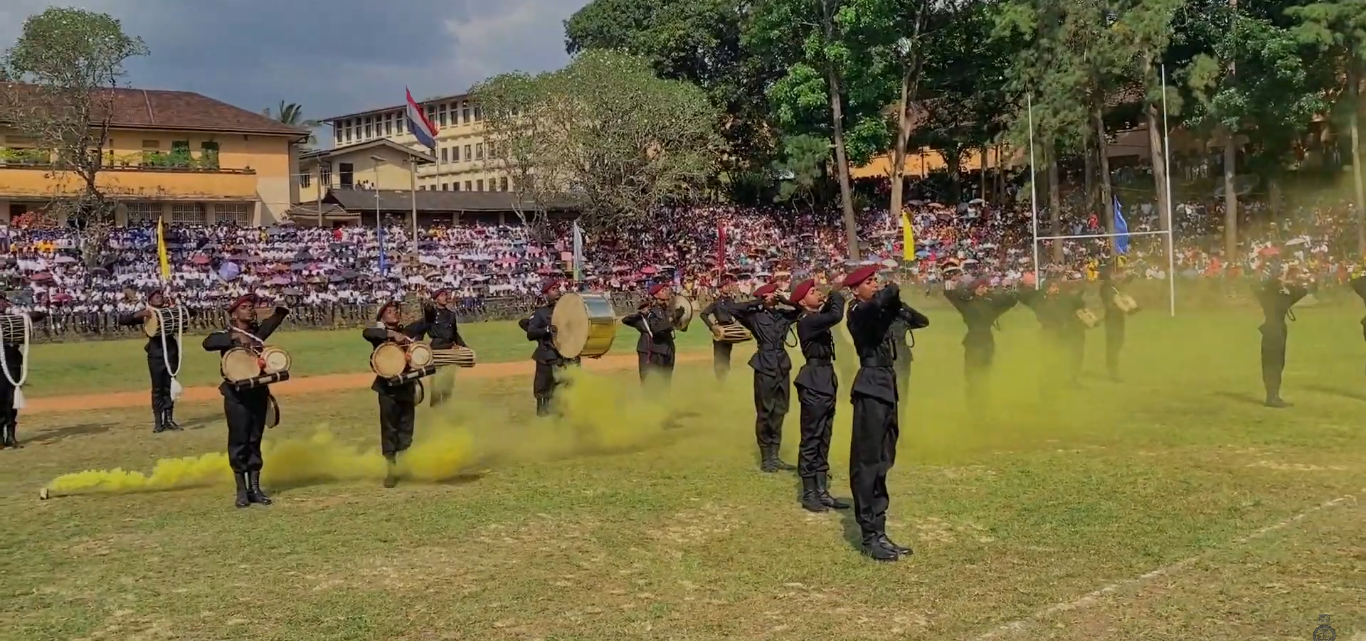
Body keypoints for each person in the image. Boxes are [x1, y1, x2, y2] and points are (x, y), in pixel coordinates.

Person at [844, 265, 924, 562]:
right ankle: (869, 534)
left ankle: (879, 529)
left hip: (886, 385)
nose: (875, 284)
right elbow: (879, 303)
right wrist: (890, 291)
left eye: (876, 280)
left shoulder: (877, 310)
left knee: (883, 459)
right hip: (870, 386)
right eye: (869, 282)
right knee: (867, 462)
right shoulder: (857, 311)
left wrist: (895, 299)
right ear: (855, 290)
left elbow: (916, 319)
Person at [202, 294, 289, 508]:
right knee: (239, 442)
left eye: (252, 307)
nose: (250, 310)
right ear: (234, 314)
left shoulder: (257, 334)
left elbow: (274, 321)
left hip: (258, 394)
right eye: (245, 307)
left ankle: (255, 489)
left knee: (254, 441)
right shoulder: (227, 334)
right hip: (236, 397)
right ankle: (241, 491)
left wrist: (282, 309)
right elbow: (208, 343)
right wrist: (233, 338)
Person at [791, 278, 851, 513]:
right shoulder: (807, 321)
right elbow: (835, 315)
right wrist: (835, 292)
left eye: (818, 290)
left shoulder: (814, 317)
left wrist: (831, 297)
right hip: (814, 380)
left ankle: (822, 490)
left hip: (825, 377)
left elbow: (828, 314)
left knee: (824, 437)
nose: (818, 293)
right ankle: (809, 493)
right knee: (811, 438)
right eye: (813, 292)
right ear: (802, 302)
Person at [733, 281, 802, 472]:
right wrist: (757, 302)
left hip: (782, 364)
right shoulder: (755, 316)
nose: (776, 295)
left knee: (780, 410)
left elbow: (801, 310)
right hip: (764, 364)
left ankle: (775, 455)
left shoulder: (782, 314)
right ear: (764, 296)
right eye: (773, 293)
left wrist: (787, 301)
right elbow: (733, 309)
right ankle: (766, 457)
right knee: (765, 411)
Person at [364, 300, 431, 488]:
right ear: (382, 317)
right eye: (390, 311)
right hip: (387, 390)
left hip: (407, 387)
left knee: (406, 429)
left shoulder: (407, 332)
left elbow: (426, 323)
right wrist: (391, 334)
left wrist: (429, 309)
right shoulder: (379, 335)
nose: (394, 313)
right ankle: (391, 471)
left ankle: (403, 467)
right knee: (389, 429)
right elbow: (367, 333)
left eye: (396, 310)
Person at [943, 277, 1018, 408]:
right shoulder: (967, 303)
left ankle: (982, 402)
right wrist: (970, 292)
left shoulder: (989, 303)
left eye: (986, 286)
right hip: (974, 340)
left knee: (983, 374)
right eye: (983, 286)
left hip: (985, 341)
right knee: (972, 374)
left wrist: (991, 294)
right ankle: (974, 403)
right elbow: (949, 293)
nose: (986, 288)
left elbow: (1011, 300)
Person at [117, 289, 182, 433]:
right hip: (156, 354)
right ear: (150, 301)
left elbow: (191, 313)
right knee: (158, 388)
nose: (159, 298)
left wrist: (176, 304)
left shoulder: (170, 311)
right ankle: (158, 422)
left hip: (171, 354)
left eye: (160, 296)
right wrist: (138, 314)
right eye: (155, 297)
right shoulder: (148, 314)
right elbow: (122, 320)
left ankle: (169, 420)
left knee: (169, 387)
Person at [1018, 275, 1089, 389]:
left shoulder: (1060, 299)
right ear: (1047, 289)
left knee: (1065, 357)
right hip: (1048, 334)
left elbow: (1077, 303)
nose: (1057, 289)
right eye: (1053, 287)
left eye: (1057, 286)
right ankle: (1047, 384)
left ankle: (1069, 381)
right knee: (1049, 360)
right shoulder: (1042, 302)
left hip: (1061, 333)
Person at [1255, 266, 1310, 408]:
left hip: (1275, 330)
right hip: (1274, 331)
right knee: (1273, 363)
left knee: (1276, 363)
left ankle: (1273, 395)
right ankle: (1272, 397)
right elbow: (1302, 291)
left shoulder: (1274, 295)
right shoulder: (1275, 295)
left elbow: (1303, 291)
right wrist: (1284, 281)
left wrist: (1286, 282)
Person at [520, 281, 578, 417]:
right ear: (546, 294)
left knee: (564, 390)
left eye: (557, 288)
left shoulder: (567, 312)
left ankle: (562, 417)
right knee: (544, 391)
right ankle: (543, 417)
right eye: (553, 289)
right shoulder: (541, 313)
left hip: (564, 357)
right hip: (546, 357)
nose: (557, 290)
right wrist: (546, 330)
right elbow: (531, 333)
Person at [0, 295, 46, 450]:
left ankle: (10, 436)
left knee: (11, 400)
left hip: (12, 362)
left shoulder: (14, 319)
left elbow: (39, 315)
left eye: (2, 300)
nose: (1, 303)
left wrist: (24, 316)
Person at [622, 283, 683, 385]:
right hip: (655, 349)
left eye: (667, 289)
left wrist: (681, 318)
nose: (667, 291)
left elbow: (680, 327)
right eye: (663, 290)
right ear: (656, 295)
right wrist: (672, 319)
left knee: (666, 383)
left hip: (668, 349)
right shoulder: (652, 312)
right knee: (652, 383)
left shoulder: (667, 310)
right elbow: (656, 328)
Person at [420, 289, 468, 407]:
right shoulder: (432, 314)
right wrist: (427, 304)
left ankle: (446, 405)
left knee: (448, 380)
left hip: (449, 348)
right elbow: (428, 311)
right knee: (436, 380)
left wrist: (464, 346)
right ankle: (435, 406)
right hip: (436, 349)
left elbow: (454, 334)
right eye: (442, 295)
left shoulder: (451, 314)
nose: (445, 297)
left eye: (446, 295)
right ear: (436, 299)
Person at [700, 275, 741, 381]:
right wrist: (712, 326)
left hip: (730, 330)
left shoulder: (731, 301)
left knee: (727, 356)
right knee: (719, 356)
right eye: (725, 286)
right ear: (720, 289)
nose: (728, 288)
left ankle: (725, 378)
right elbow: (703, 314)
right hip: (720, 330)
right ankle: (719, 379)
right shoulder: (716, 303)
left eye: (729, 286)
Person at [1098, 263, 1132, 381]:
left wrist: (1127, 279)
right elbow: (1111, 302)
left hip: (1118, 317)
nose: (1115, 275)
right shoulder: (1106, 288)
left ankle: (1112, 368)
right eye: (1112, 272)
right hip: (1112, 318)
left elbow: (1121, 288)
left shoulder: (1112, 287)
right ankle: (1112, 371)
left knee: (1119, 341)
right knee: (1113, 343)